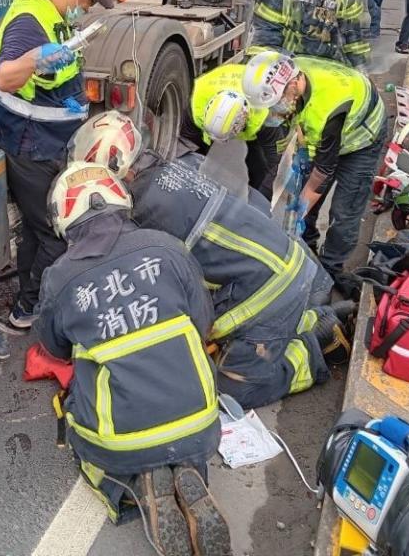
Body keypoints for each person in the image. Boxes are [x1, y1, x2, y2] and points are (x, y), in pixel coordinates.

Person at [68, 112, 352, 410]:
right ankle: (306, 321)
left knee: (228, 392)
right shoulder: (177, 165)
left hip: (268, 289)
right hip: (282, 262)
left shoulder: (144, 211)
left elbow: (158, 287)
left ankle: (313, 351)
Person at [37, 162, 230, 556]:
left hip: (122, 440)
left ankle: (131, 487)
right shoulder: (168, 247)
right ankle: (186, 467)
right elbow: (203, 323)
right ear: (121, 201)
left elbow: (55, 349)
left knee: (81, 411)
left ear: (64, 220)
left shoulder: (60, 278)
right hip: (200, 422)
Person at [0, 0, 129, 335]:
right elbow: (5, 77)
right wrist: (36, 60)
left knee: (42, 225)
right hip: (28, 140)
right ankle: (30, 308)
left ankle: (32, 291)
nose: (89, 7)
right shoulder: (30, 20)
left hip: (50, 132)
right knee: (51, 228)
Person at [288, 56, 388, 294]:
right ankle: (307, 244)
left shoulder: (325, 110)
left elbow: (322, 172)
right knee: (305, 188)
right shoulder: (292, 68)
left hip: (362, 139)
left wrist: (297, 212)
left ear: (294, 85)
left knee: (345, 210)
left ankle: (331, 267)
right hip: (332, 130)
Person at [180, 50, 299, 199]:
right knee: (192, 158)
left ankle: (254, 198)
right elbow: (185, 148)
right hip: (220, 81)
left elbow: (277, 164)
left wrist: (261, 205)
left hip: (257, 107)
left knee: (259, 165)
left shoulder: (264, 116)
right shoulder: (195, 103)